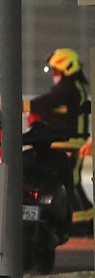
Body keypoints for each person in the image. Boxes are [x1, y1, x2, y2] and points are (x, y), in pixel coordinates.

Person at [24, 48, 91, 224]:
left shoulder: (67, 88)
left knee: (71, 182)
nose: (54, 74)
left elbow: (46, 102)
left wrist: (24, 105)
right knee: (70, 181)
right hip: (69, 143)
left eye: (56, 71)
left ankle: (80, 221)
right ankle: (81, 219)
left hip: (70, 144)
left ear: (67, 68)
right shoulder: (72, 87)